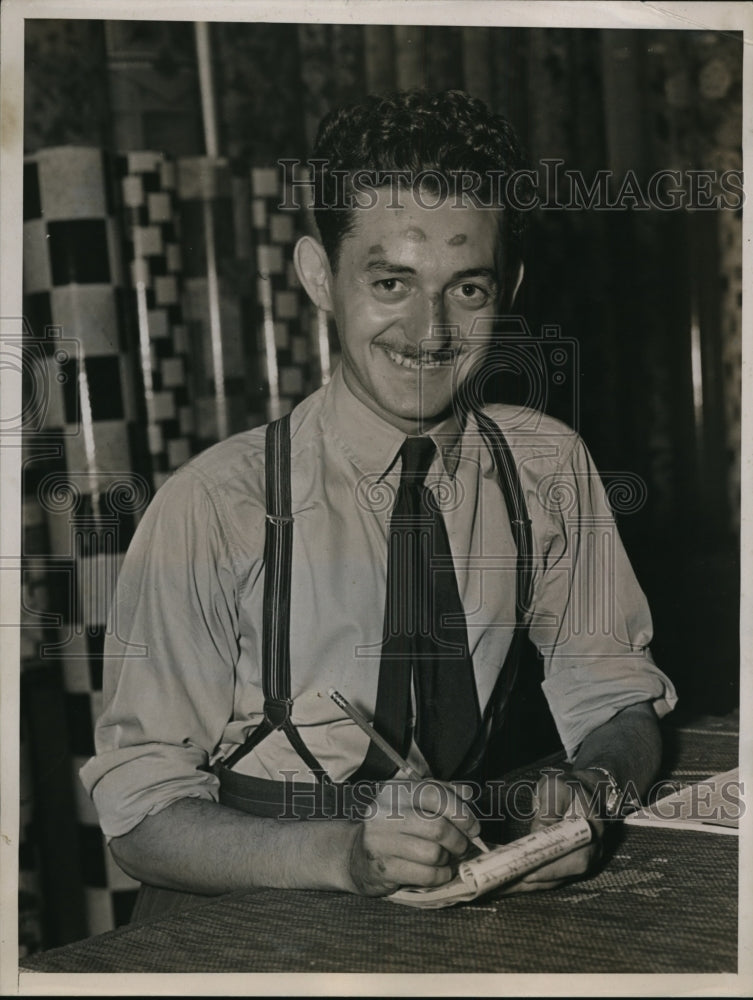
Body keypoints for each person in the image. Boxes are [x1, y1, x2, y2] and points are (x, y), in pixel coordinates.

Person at [80, 89, 677, 911]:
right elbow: (138, 823)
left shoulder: (546, 466)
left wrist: (592, 791)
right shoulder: (214, 505)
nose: (430, 331)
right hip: (247, 914)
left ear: (507, 286)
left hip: (449, 901)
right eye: (391, 282)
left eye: (466, 290)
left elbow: (617, 700)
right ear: (318, 276)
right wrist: (346, 858)